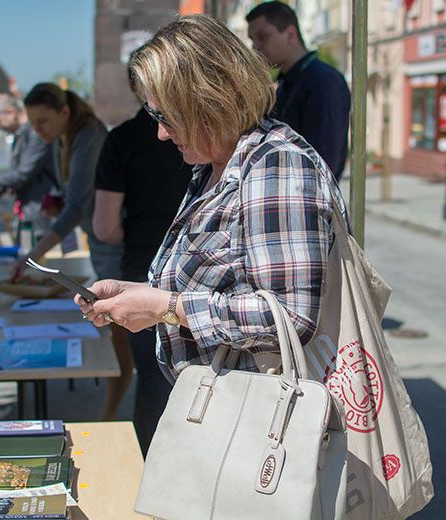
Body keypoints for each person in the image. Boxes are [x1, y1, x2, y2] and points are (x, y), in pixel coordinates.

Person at [77, 15, 348, 390]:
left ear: (208, 100)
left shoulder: (275, 162)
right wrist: (140, 294)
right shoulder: (219, 163)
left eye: (165, 116)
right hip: (229, 406)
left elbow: (290, 316)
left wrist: (165, 307)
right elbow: (218, 283)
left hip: (261, 423)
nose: (159, 132)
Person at [10, 83, 132, 421]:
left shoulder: (88, 136)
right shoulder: (63, 137)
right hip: (100, 240)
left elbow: (79, 205)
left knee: (119, 333)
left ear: (64, 112)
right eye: (33, 122)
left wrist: (35, 253)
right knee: (114, 332)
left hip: (114, 243)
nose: (38, 130)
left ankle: (111, 415)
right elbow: (74, 197)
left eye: (43, 121)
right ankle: (113, 410)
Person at [92, 67, 193, 455]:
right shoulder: (217, 150)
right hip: (179, 285)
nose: (164, 134)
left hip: (146, 267)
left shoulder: (123, 140)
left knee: (155, 393)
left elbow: (105, 226)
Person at [246, 1, 351, 181]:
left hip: (308, 200)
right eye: (252, 40)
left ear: (290, 34)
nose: (255, 47)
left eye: (262, 37)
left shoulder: (323, 81)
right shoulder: (285, 82)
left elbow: (324, 161)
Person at [0, 93, 56, 236]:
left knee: (35, 257)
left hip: (43, 214)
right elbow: (17, 174)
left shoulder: (36, 133)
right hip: (31, 213)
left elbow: (24, 173)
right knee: (27, 256)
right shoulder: (21, 135)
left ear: (10, 112)